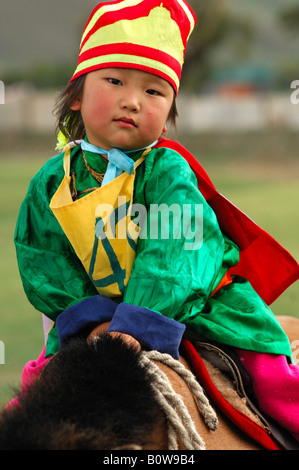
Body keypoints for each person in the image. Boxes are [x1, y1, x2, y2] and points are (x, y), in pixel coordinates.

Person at [11, 0, 299, 442]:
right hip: (92, 322)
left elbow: (173, 258)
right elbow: (42, 257)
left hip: (190, 309)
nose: (132, 101)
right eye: (114, 81)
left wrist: (135, 323)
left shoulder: (166, 172)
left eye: (154, 92)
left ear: (168, 116)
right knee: (32, 401)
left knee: (272, 376)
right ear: (75, 94)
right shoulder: (52, 181)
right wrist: (91, 320)